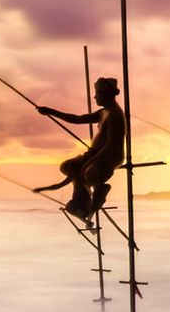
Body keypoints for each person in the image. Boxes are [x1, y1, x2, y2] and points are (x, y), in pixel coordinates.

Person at [34, 76, 125, 221]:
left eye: (97, 93)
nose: (94, 97)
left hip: (110, 155)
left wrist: (90, 161)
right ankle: (81, 200)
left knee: (89, 172)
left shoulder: (115, 115)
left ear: (106, 94)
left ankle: (96, 194)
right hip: (95, 153)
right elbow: (77, 119)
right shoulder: (103, 112)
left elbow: (110, 146)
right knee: (68, 166)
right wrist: (50, 111)